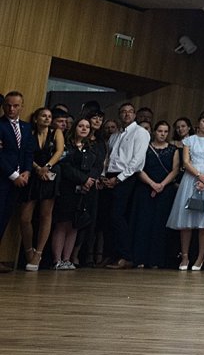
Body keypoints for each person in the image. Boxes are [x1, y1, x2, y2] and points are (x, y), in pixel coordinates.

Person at [100, 102, 151, 270]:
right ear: (119, 115)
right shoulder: (115, 134)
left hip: (126, 176)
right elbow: (108, 157)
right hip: (110, 175)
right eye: (123, 112)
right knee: (107, 217)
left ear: (135, 115)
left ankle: (125, 256)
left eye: (130, 112)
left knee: (117, 216)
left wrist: (119, 179)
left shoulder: (140, 132)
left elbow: (137, 160)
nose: (127, 114)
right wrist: (103, 175)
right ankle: (110, 254)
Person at [49, 117, 104, 269]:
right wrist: (83, 179)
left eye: (87, 126)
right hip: (67, 188)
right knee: (62, 224)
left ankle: (67, 259)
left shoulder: (91, 147)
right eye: (81, 126)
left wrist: (90, 180)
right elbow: (65, 165)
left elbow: (97, 166)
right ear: (74, 128)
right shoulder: (67, 145)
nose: (84, 129)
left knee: (75, 225)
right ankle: (57, 259)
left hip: (84, 190)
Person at [18, 106, 63, 271]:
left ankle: (39, 253)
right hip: (32, 172)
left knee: (45, 214)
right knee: (24, 217)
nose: (47, 118)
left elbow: (59, 151)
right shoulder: (29, 132)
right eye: (43, 116)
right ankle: (28, 250)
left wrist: (47, 167)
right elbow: (24, 153)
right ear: (36, 118)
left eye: (49, 116)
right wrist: (37, 168)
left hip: (50, 173)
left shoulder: (56, 132)